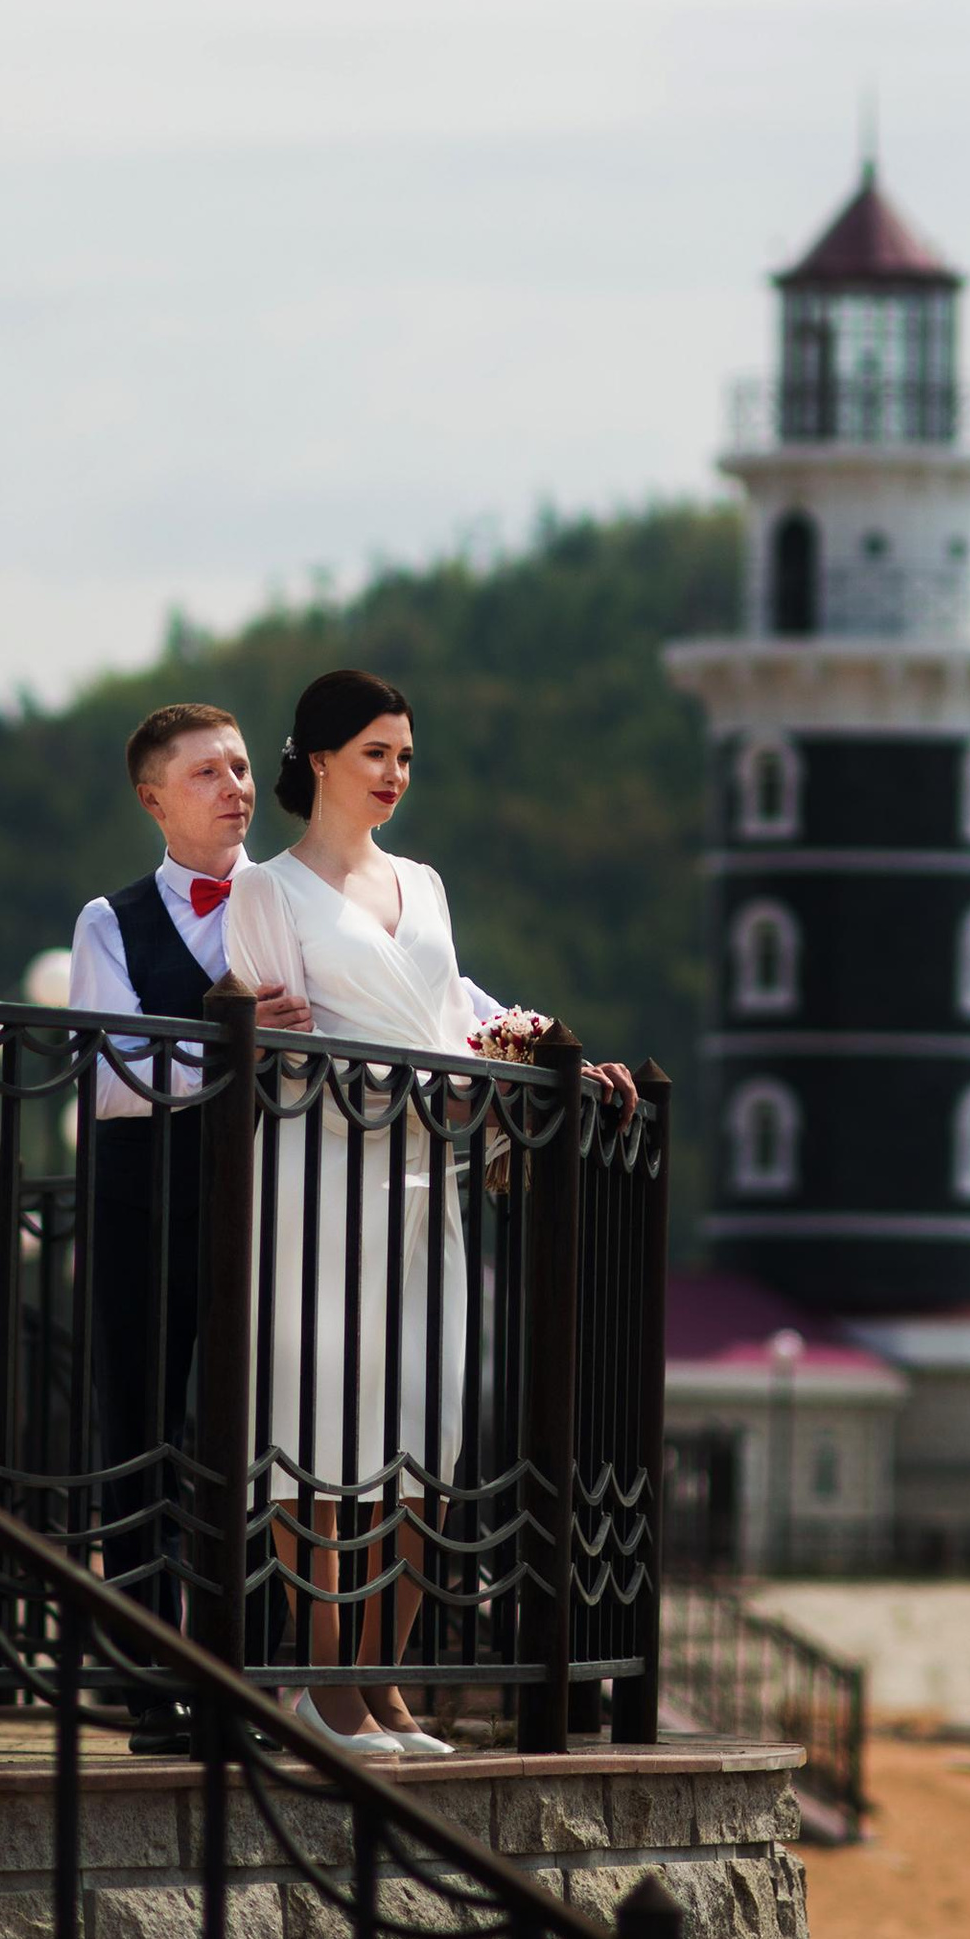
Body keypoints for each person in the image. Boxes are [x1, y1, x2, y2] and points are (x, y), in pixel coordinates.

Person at [224, 666, 635, 1759]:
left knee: (425, 1429)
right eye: (375, 752)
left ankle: (384, 1677)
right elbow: (279, 1054)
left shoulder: (427, 884)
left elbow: (454, 1013)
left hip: (423, 1176)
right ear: (318, 758)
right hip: (318, 1175)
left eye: (406, 756)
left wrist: (538, 1061)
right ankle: (325, 1685)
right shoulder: (266, 890)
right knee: (318, 1428)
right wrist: (424, 1087)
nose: (395, 773)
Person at [65, 701, 311, 1740]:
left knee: (260, 1439)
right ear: (153, 798)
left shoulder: (296, 900)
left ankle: (249, 1673)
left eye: (242, 767)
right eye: (208, 771)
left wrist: (517, 1032)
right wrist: (232, 1043)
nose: (237, 786)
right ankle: (143, 1675)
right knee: (141, 1438)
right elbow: (109, 1080)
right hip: (142, 1208)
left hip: (274, 1209)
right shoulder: (109, 920)